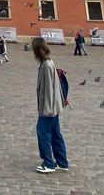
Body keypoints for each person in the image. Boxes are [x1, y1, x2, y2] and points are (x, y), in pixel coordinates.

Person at [32, 37, 69, 174]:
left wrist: (47, 110)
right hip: (54, 107)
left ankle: (48, 163)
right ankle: (62, 161)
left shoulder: (46, 65)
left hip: (49, 108)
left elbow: (49, 90)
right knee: (55, 133)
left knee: (42, 132)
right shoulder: (48, 62)